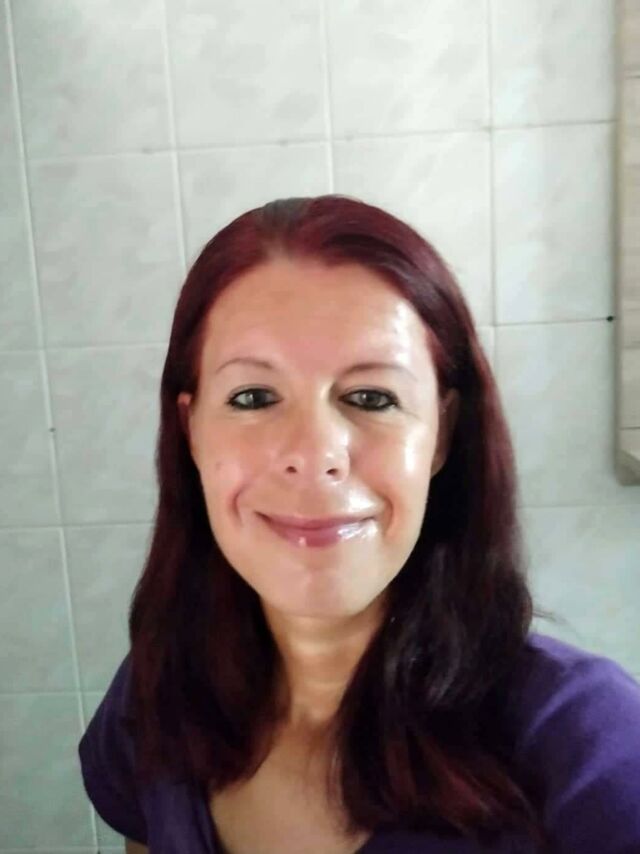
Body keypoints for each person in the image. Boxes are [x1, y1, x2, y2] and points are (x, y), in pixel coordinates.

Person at [78, 195, 640, 854]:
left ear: (442, 434)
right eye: (253, 397)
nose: (314, 455)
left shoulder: (587, 750)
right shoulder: (156, 693)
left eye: (372, 397)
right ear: (192, 432)